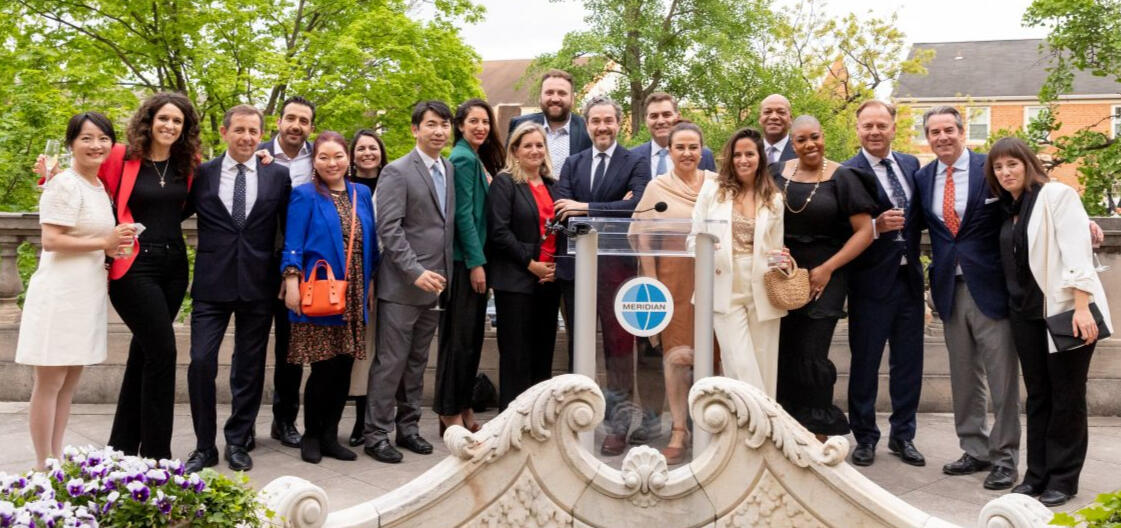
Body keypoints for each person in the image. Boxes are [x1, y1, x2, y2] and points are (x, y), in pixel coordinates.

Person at [985, 137, 1111, 506]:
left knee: (1067, 397)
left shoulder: (1056, 195)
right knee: (1039, 396)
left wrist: (1082, 307)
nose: (1006, 172)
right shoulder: (1007, 209)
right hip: (1025, 316)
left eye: (1012, 164)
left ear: (1028, 164)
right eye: (998, 167)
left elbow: (1077, 253)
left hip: (1065, 311)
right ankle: (1036, 475)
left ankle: (1063, 479)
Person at [18, 113, 134, 470]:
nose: (96, 145)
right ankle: (42, 463)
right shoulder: (64, 184)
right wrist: (105, 242)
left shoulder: (98, 187)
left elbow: (92, 239)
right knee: (50, 382)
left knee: (69, 384)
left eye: (103, 138)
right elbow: (51, 240)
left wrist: (113, 249)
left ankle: (56, 457)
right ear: (71, 144)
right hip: (59, 296)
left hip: (86, 294)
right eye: (86, 138)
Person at [913, 106, 1021, 491]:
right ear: (928, 137)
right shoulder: (923, 177)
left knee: (1002, 381)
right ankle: (975, 449)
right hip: (949, 288)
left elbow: (1023, 202)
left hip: (991, 287)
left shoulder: (989, 167)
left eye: (948, 130)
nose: (942, 137)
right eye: (934, 132)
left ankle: (1005, 458)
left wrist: (1080, 221)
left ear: (962, 132)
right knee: (963, 376)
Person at [183, 105, 292, 473]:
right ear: (225, 132)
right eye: (240, 130)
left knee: (249, 367)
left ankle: (238, 440)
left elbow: (287, 228)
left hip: (259, 284)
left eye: (253, 131)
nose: (247, 137)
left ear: (261, 134)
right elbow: (169, 209)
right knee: (201, 362)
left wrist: (288, 273)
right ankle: (204, 446)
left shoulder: (277, 175)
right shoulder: (202, 174)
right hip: (211, 283)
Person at [102, 92, 201, 460]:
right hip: (134, 267)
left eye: (177, 121)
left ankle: (121, 448)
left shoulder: (187, 164)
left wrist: (264, 157)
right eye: (164, 118)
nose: (169, 126)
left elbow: (198, 198)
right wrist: (49, 174)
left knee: (143, 353)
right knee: (162, 352)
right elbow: (86, 181)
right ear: (149, 121)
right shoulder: (121, 157)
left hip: (174, 268)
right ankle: (157, 456)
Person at [553, 95, 650, 456]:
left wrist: (585, 207)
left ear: (619, 123)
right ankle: (577, 419)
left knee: (618, 350)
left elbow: (637, 207)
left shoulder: (635, 162)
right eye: (595, 121)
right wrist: (610, 207)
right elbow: (563, 211)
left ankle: (617, 426)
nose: (602, 127)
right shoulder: (573, 163)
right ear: (588, 124)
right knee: (578, 346)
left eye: (608, 120)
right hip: (576, 270)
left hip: (618, 269)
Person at [771, 115, 875, 441]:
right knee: (783, 351)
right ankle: (785, 429)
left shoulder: (843, 177)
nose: (809, 145)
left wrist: (828, 268)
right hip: (783, 275)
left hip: (826, 276)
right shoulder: (776, 173)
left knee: (811, 352)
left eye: (814, 137)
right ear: (793, 143)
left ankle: (816, 433)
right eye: (801, 140)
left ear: (823, 136)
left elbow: (865, 231)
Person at [365, 101, 455, 464]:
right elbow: (389, 229)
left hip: (437, 285)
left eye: (444, 124)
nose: (439, 131)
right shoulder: (397, 171)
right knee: (391, 363)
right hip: (403, 286)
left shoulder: (449, 168)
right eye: (431, 124)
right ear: (415, 129)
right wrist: (415, 271)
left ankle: (408, 428)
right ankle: (376, 434)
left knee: (418, 362)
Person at [281, 131, 377, 464]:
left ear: (348, 159)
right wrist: (291, 280)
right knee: (323, 368)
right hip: (320, 290)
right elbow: (293, 242)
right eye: (323, 157)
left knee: (344, 368)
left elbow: (370, 241)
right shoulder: (304, 194)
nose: (331, 163)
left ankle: (330, 436)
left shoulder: (361, 193)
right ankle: (311, 435)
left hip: (355, 290)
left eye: (338, 156)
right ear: (315, 161)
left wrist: (371, 282)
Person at [841, 101, 926, 468]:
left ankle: (903, 436)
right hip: (869, 283)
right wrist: (875, 228)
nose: (874, 132)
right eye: (867, 126)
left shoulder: (911, 164)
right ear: (858, 129)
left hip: (910, 281)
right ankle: (864, 437)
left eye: (881, 125)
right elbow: (839, 229)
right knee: (865, 363)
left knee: (908, 364)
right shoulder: (847, 172)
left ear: (893, 127)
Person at [629, 121, 716, 464]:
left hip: (713, 280)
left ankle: (712, 424)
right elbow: (641, 237)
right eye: (680, 147)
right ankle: (679, 429)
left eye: (693, 147)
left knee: (714, 353)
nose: (687, 153)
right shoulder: (657, 187)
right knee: (677, 356)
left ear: (702, 150)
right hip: (672, 282)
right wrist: (652, 286)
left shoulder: (717, 184)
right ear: (669, 151)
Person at [693, 127, 786, 398]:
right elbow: (693, 238)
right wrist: (707, 248)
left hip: (763, 286)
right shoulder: (713, 190)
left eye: (749, 154)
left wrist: (783, 259)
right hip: (723, 284)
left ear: (760, 158)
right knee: (739, 364)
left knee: (764, 365)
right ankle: (752, 419)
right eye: (737, 155)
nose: (743, 160)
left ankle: (765, 424)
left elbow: (775, 247)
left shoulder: (774, 199)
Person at [436, 99, 505, 434]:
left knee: (472, 340)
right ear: (460, 125)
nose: (481, 127)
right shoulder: (462, 158)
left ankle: (463, 405)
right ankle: (448, 412)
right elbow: (463, 214)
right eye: (474, 121)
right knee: (459, 341)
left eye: (485, 122)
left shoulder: (475, 157)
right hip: (465, 263)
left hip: (477, 260)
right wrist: (476, 263)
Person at [486, 122, 561, 409]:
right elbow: (499, 232)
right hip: (516, 280)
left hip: (549, 282)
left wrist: (554, 267)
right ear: (515, 150)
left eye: (539, 145)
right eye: (527, 145)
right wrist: (532, 264)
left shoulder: (553, 185)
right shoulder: (505, 183)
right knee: (516, 356)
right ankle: (512, 420)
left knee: (543, 355)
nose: (534, 150)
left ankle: (538, 418)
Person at [260, 96, 316, 449]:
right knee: (251, 347)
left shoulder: (319, 159)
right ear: (278, 122)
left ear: (311, 127)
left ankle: (285, 421)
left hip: (300, 266)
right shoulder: (256, 155)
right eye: (291, 118)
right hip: (257, 263)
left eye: (304, 121)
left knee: (291, 349)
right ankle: (242, 426)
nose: (296, 125)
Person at [345, 128, 386, 447]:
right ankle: (357, 420)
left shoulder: (392, 182)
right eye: (361, 148)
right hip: (354, 276)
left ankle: (373, 419)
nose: (367, 153)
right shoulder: (344, 187)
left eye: (373, 147)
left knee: (382, 351)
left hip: (391, 273)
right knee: (361, 350)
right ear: (352, 155)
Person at [508, 69, 592, 171]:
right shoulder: (520, 125)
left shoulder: (588, 130)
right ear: (540, 97)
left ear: (572, 99)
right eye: (549, 93)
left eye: (562, 93)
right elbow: (508, 166)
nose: (555, 99)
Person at [630, 92, 716, 178]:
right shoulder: (632, 157)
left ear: (678, 117)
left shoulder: (704, 155)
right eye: (654, 116)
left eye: (666, 115)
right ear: (646, 120)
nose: (660, 121)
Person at [758, 94, 796, 164]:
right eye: (767, 112)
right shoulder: (748, 152)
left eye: (781, 112)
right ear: (759, 119)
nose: (774, 117)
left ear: (790, 119)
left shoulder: (802, 153)